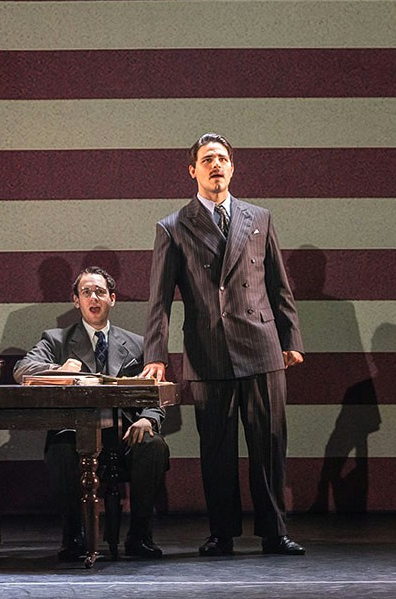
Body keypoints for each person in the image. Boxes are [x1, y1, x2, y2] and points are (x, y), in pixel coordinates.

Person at [142, 133, 306, 557]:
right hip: (208, 350)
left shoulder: (259, 218)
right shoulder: (174, 226)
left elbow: (279, 286)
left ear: (232, 167)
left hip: (262, 345)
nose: (216, 165)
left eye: (222, 158)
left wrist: (291, 338)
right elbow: (159, 300)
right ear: (192, 170)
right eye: (206, 159)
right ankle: (222, 533)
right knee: (216, 451)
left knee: (269, 445)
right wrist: (155, 355)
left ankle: (274, 532)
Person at [15, 266, 169, 561]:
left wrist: (147, 418)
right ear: (76, 301)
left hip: (123, 432)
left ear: (112, 298)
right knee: (60, 448)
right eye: (86, 292)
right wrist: (59, 370)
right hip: (76, 433)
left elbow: (154, 391)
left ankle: (140, 536)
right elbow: (23, 369)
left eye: (100, 292)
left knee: (153, 446)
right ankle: (75, 535)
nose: (93, 298)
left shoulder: (136, 344)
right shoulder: (56, 340)